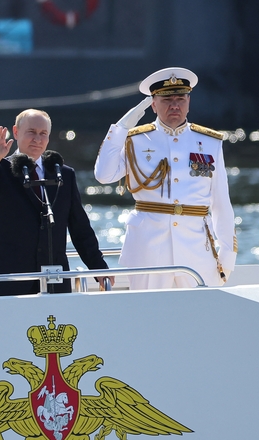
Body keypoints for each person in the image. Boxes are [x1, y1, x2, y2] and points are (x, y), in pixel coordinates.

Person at [94, 67, 237, 289]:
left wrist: (227, 254)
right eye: (166, 99)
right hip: (148, 249)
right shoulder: (135, 140)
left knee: (199, 318)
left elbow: (221, 204)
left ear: (188, 102)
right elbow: (104, 175)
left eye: (180, 99)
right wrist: (121, 128)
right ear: (153, 104)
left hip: (196, 250)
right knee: (147, 316)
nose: (174, 105)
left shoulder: (210, 142)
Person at [0, 109, 114, 296]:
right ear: (16, 132)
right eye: (31, 132)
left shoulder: (63, 174)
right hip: (11, 277)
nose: (37, 139)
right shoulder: (0, 168)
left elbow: (80, 227)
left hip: (54, 275)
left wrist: (98, 267)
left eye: (43, 134)